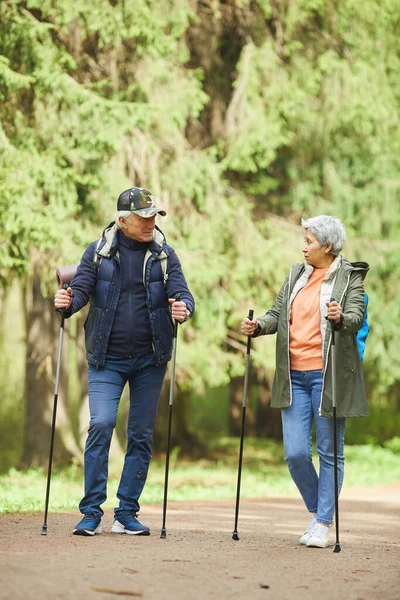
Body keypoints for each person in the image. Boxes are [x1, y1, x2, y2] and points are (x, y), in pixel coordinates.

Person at [54, 187, 195, 537]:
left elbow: (182, 292)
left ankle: (126, 512)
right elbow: (81, 291)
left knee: (141, 435)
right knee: (100, 424)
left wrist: (184, 307)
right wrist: (65, 303)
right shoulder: (98, 252)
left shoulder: (164, 254)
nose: (151, 223)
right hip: (107, 359)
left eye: (154, 217)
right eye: (144, 217)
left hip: (151, 359)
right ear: (123, 221)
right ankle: (90, 512)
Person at [241, 215, 369, 548]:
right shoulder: (297, 274)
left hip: (329, 378)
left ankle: (324, 522)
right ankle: (319, 511)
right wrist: (259, 327)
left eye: (309, 241)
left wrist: (341, 317)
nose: (303, 246)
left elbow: (355, 316)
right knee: (296, 453)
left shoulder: (349, 277)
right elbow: (277, 312)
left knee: (329, 452)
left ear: (327, 246)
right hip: (293, 376)